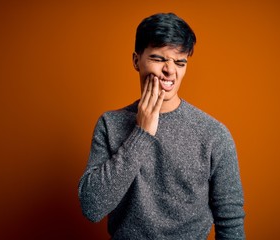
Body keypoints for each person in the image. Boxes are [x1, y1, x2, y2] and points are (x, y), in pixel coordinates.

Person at [78, 12, 245, 240]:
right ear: (136, 60)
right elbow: (92, 207)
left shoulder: (214, 134)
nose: (170, 71)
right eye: (159, 59)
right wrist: (141, 133)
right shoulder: (109, 124)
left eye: (180, 62)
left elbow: (231, 221)